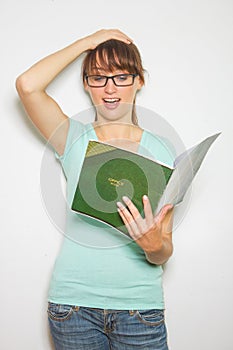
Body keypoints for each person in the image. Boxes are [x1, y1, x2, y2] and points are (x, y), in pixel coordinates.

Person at [16, 29, 174, 350]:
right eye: (98, 78)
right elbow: (28, 86)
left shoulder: (162, 151)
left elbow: (163, 251)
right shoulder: (72, 137)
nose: (110, 88)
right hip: (73, 309)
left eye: (120, 77)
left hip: (139, 310)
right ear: (87, 85)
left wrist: (153, 245)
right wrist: (89, 42)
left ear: (139, 81)